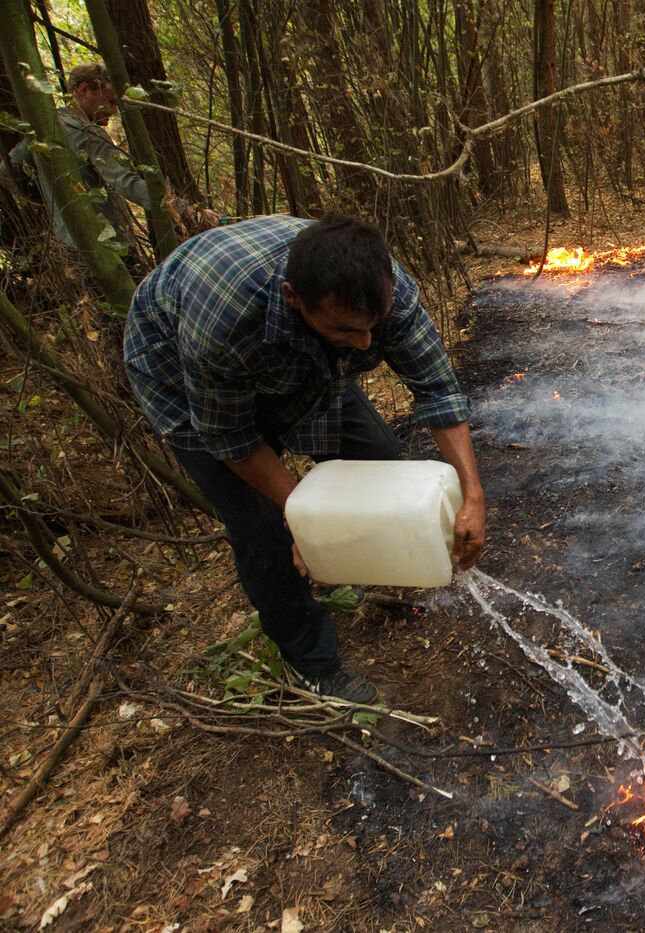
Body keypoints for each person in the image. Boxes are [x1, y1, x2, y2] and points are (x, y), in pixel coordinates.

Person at [123, 214, 486, 703]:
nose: (365, 343)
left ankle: (341, 568)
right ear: (295, 298)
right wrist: (304, 518)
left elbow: (437, 389)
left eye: (373, 327)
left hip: (302, 357)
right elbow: (231, 437)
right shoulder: (225, 325)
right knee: (263, 529)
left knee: (378, 459)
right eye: (347, 329)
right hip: (181, 376)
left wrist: (473, 493)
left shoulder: (385, 291)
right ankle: (312, 662)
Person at [4, 62, 218, 250]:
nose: (114, 111)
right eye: (110, 101)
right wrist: (187, 210)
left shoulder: (46, 127)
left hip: (70, 243)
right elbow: (126, 182)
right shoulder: (87, 132)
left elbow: (8, 171)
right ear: (84, 90)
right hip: (108, 247)